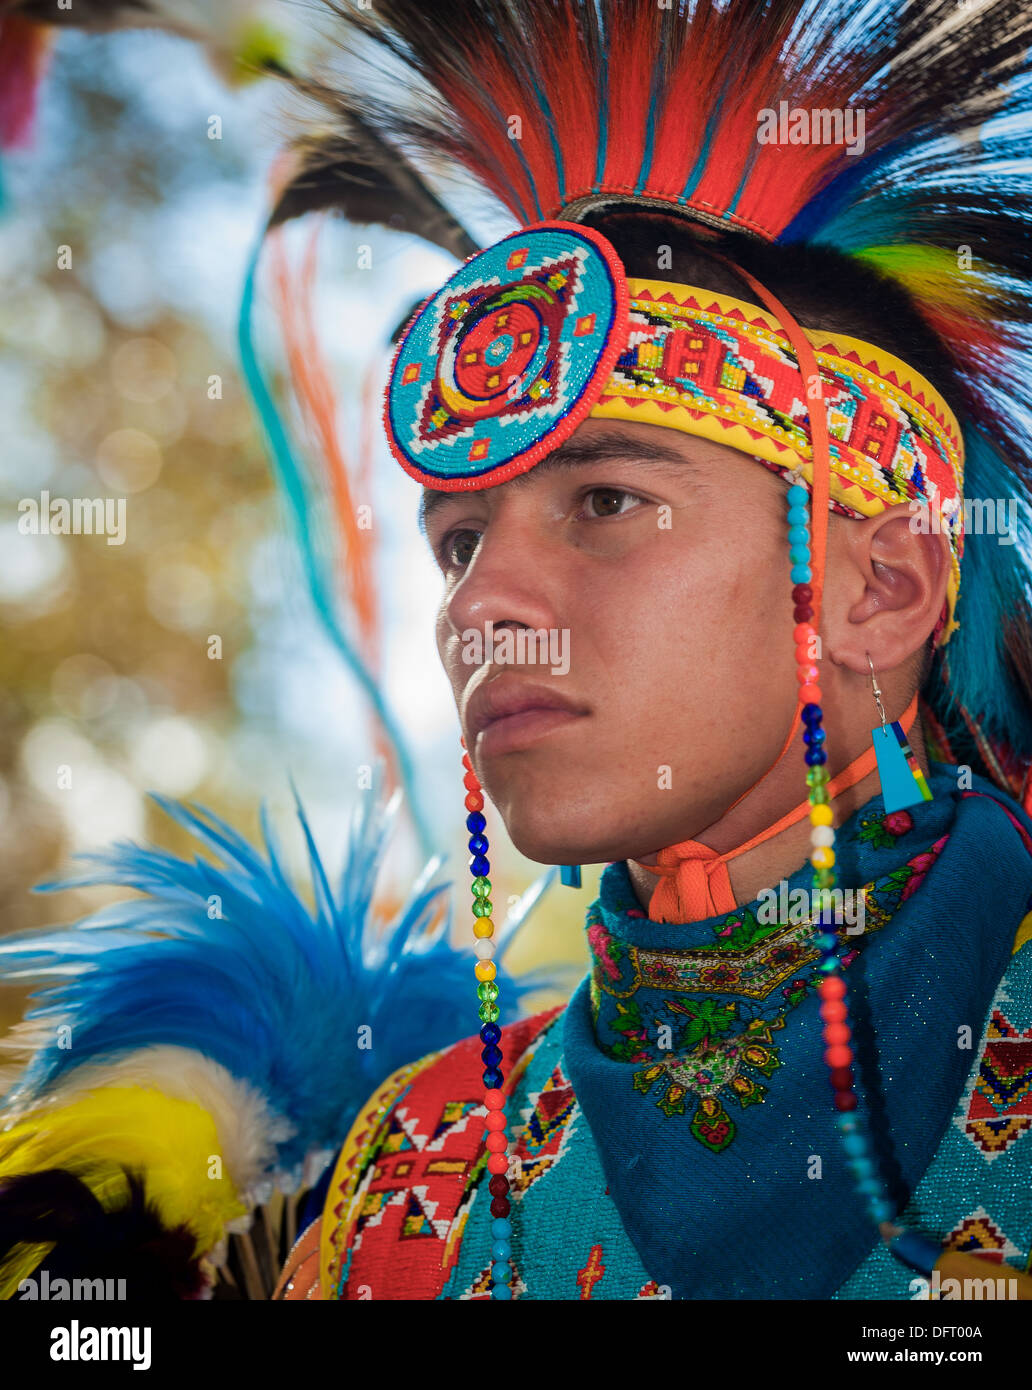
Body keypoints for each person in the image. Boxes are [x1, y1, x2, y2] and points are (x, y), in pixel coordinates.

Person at [272, 0, 1032, 1300]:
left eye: (607, 502)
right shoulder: (408, 1176)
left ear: (883, 588)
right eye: (458, 543)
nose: (479, 605)